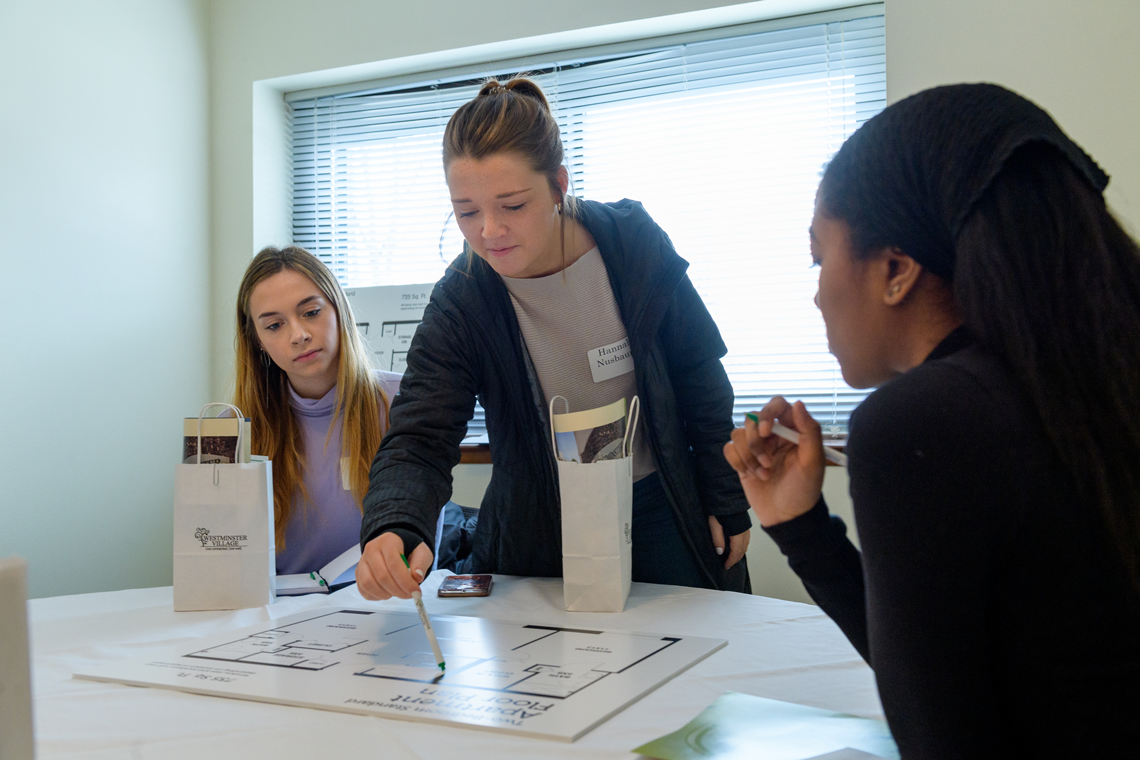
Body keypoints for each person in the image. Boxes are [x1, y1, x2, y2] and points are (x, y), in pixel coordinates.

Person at [724, 84, 1140, 757]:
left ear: (894, 269)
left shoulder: (923, 422)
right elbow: (953, 669)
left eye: (818, 257)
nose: (816, 291)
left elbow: (939, 735)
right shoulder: (1079, 390)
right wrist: (801, 530)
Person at [355, 77, 752, 600]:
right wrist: (395, 524)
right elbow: (421, 436)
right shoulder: (462, 298)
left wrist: (725, 495)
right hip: (541, 525)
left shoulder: (631, 244)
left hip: (660, 502)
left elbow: (699, 372)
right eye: (467, 211)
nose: (489, 231)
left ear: (558, 186)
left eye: (512, 205)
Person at [233, 245, 401, 574]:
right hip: (273, 616)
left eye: (311, 312)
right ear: (257, 341)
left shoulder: (402, 402)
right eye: (274, 325)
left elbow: (419, 551)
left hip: (377, 609)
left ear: (339, 310)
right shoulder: (234, 431)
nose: (299, 335)